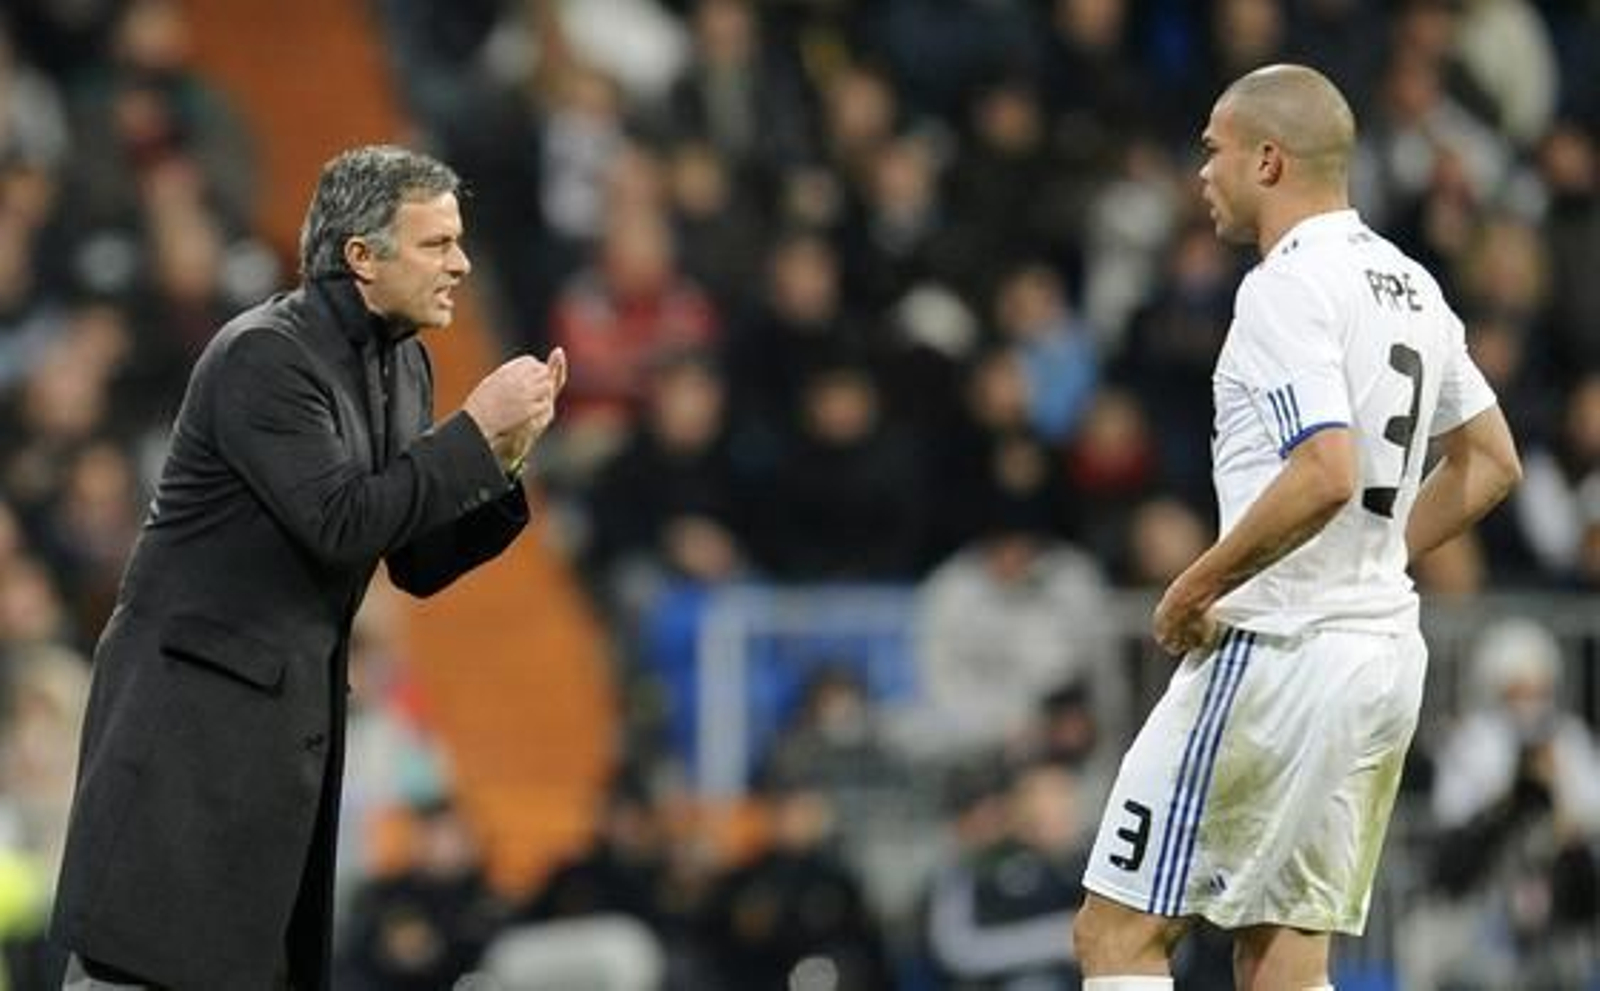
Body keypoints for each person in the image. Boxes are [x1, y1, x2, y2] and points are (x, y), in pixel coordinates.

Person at [50, 145, 567, 990]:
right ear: (362, 256)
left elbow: (414, 558)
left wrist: (503, 460)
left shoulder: (404, 361)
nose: (462, 264)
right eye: (437, 244)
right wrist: (472, 434)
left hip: (276, 765)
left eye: (460, 241)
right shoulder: (263, 356)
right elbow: (337, 520)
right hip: (185, 754)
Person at [1072, 65, 1523, 991]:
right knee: (1284, 954)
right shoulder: (1409, 283)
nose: (1201, 173)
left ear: (1268, 160)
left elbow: (1324, 469)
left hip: (1280, 651)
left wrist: (1197, 584)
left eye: (1214, 149)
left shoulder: (1284, 287)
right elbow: (1491, 461)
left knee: (1117, 934)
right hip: (1380, 655)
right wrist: (1374, 556)